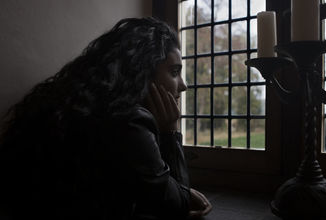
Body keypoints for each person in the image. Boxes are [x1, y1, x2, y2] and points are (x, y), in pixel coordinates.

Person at [0, 17, 212, 219]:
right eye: (174, 72)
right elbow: (177, 207)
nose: (183, 85)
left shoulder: (85, 106)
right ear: (142, 71)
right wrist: (170, 132)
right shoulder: (131, 121)